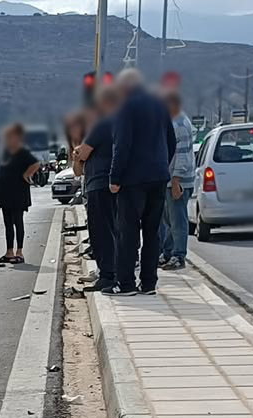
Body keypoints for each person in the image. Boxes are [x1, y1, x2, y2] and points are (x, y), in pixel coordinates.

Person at [104, 69, 177, 296]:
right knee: (153, 232)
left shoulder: (126, 107)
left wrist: (115, 178)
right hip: (158, 177)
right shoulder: (159, 106)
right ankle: (148, 283)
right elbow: (171, 141)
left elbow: (121, 145)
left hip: (133, 180)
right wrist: (161, 165)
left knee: (128, 232)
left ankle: (125, 284)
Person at [73, 84, 123, 288]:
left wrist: (78, 152)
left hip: (100, 185)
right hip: (104, 184)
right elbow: (78, 170)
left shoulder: (102, 125)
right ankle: (111, 272)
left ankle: (108, 275)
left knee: (102, 232)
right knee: (110, 231)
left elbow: (81, 156)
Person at [0, 123, 40, 265]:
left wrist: (27, 174)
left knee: (17, 221)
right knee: (7, 223)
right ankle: (9, 252)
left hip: (18, 192)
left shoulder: (23, 152)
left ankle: (19, 252)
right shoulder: (4, 152)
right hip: (4, 191)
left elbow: (36, 164)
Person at [161, 87, 197, 271]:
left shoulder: (180, 124)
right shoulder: (172, 121)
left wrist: (176, 180)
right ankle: (168, 253)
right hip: (169, 179)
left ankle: (178, 255)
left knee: (177, 220)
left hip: (178, 180)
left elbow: (182, 155)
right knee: (168, 220)